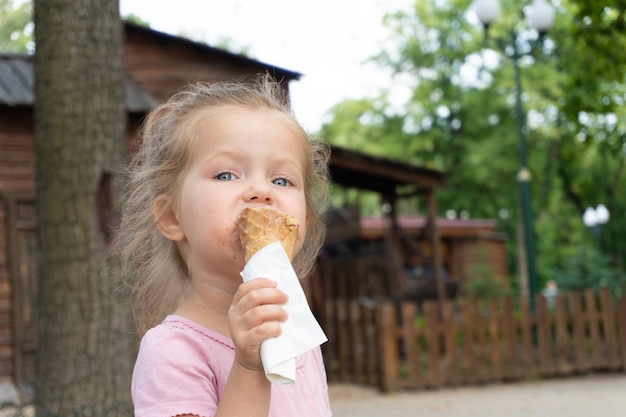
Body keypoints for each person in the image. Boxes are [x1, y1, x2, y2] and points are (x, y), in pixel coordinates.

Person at [118, 73, 332, 417]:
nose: (262, 191)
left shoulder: (297, 334)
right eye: (227, 175)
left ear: (304, 220)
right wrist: (249, 367)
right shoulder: (174, 351)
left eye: (282, 179)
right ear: (173, 217)